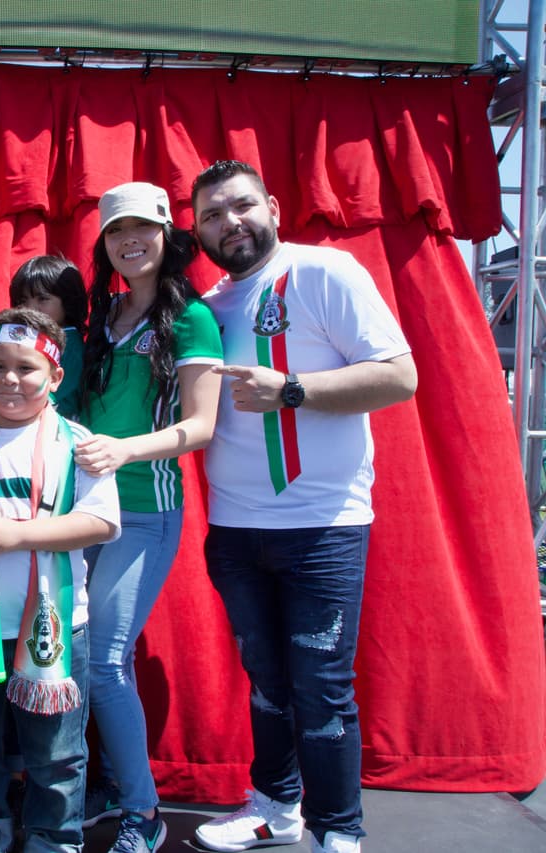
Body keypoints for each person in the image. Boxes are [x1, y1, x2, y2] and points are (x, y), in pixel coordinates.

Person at [188, 160, 416, 853]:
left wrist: (292, 388)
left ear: (275, 206)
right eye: (211, 216)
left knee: (321, 688)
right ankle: (275, 808)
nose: (230, 223)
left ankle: (338, 828)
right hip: (234, 528)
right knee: (266, 682)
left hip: (324, 526)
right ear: (196, 232)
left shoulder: (327, 272)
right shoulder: (210, 306)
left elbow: (398, 375)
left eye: (241, 206)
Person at [0, 307, 120, 853]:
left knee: (55, 750)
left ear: (55, 376)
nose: (10, 379)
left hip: (53, 625)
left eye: (26, 368)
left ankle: (54, 839)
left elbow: (101, 522)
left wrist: (18, 535)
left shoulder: (78, 444)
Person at [71, 181, 223, 852]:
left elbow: (201, 424)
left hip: (144, 512)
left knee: (104, 661)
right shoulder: (101, 317)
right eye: (115, 230)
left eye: (142, 227)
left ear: (168, 235)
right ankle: (101, 784)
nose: (129, 240)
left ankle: (143, 811)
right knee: (77, 658)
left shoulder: (190, 318)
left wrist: (125, 449)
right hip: (80, 511)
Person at [9, 255, 89, 419]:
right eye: (22, 301)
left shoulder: (70, 344)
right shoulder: (32, 340)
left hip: (58, 427)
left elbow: (49, 397)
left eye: (43, 299)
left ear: (68, 301)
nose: (30, 309)